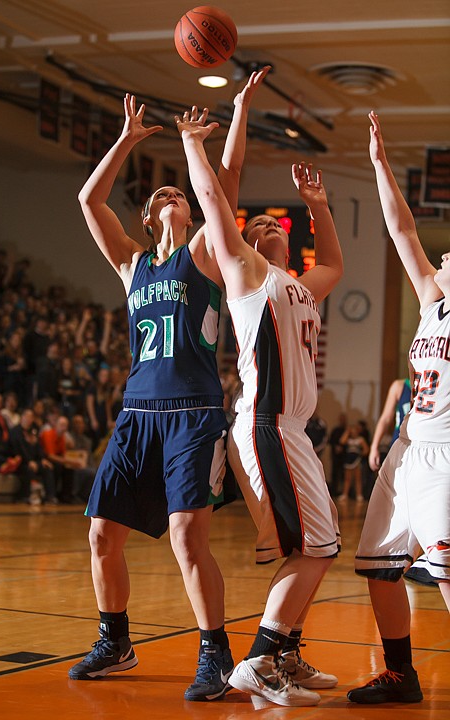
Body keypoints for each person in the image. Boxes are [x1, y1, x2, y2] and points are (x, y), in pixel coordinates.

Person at [67, 68, 270, 703]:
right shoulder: (134, 264)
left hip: (194, 411)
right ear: (151, 214)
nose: (170, 195)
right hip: (138, 411)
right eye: (159, 195)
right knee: (101, 532)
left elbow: (226, 184)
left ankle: (215, 653)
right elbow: (88, 202)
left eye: (178, 192)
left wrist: (235, 115)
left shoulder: (205, 252)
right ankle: (115, 640)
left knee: (188, 534)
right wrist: (127, 139)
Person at [177, 106, 343, 706]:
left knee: (314, 546)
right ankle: (257, 660)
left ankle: (286, 657)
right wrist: (194, 144)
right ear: (243, 242)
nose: (271, 222)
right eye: (260, 223)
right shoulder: (246, 273)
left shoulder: (298, 282)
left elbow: (333, 265)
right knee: (319, 548)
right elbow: (215, 196)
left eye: (280, 222)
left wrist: (319, 205)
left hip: (292, 428)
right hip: (266, 423)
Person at [347, 111, 450, 705]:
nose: (444, 260)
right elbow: (402, 231)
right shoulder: (432, 301)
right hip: (406, 451)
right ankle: (400, 672)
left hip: (444, 456)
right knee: (381, 567)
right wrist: (382, 165)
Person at [368, 378, 411, 472]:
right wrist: (374, 446)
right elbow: (385, 419)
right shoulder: (399, 386)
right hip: (400, 444)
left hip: (421, 446)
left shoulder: (434, 387)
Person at [337, 423, 369, 502]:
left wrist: (360, 454)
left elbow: (366, 450)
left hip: (357, 460)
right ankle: (345, 494)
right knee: (347, 478)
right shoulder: (348, 439)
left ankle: (359, 495)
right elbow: (341, 441)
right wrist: (347, 432)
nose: (353, 432)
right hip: (348, 459)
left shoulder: (361, 439)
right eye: (352, 431)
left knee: (357, 478)